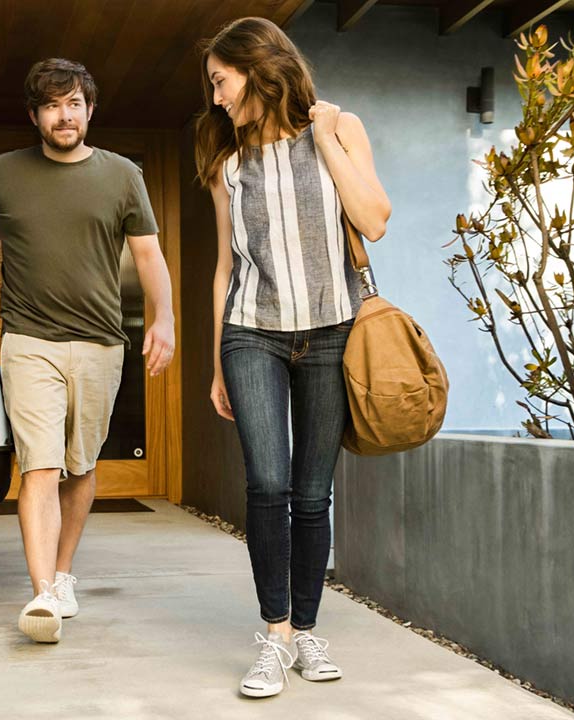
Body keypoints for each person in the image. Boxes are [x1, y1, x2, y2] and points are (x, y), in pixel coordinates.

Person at [0, 58, 175, 644]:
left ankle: (64, 572)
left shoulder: (122, 175)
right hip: (27, 339)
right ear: (34, 116)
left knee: (81, 465)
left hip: (100, 342)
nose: (63, 116)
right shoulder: (4, 171)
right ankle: (42, 593)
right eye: (51, 106)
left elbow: (147, 254)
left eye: (73, 104)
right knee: (39, 466)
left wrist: (164, 319)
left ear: (89, 111)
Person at [194, 17, 391, 697]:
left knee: (312, 494)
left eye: (221, 81)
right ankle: (275, 636)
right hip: (252, 333)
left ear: (257, 68)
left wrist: (328, 139)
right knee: (267, 484)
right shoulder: (228, 163)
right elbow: (224, 268)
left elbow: (374, 220)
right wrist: (217, 362)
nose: (216, 97)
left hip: (333, 331)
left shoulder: (341, 128)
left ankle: (306, 629)